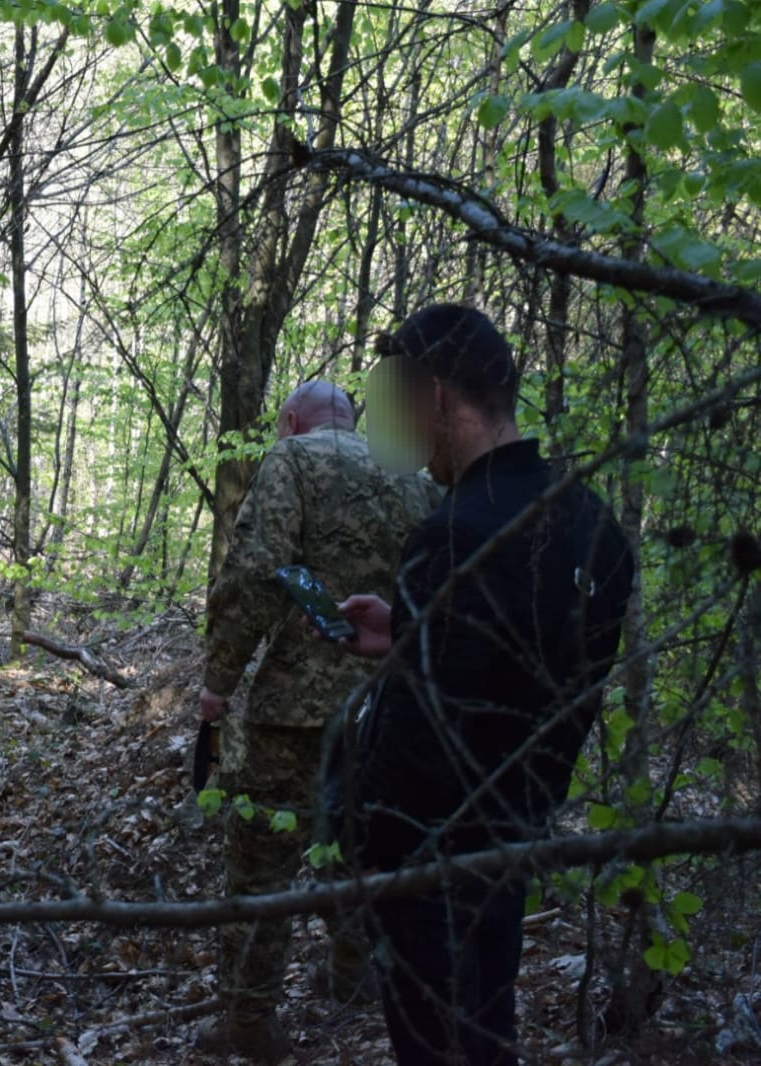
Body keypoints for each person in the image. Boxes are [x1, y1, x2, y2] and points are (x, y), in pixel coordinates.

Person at [329, 305, 635, 1065]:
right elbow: (515, 671)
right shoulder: (590, 522)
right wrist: (406, 634)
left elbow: (419, 740)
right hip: (510, 841)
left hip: (430, 867)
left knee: (439, 1047)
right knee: (483, 1035)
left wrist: (364, 846)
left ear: (433, 398)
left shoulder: (456, 531)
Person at [195, 381, 440, 1062]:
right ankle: (351, 976)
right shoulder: (411, 475)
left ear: (290, 421)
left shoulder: (293, 460)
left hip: (299, 710)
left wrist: (219, 682)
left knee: (261, 866)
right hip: (392, 705)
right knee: (366, 844)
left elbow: (251, 573)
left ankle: (248, 1020)